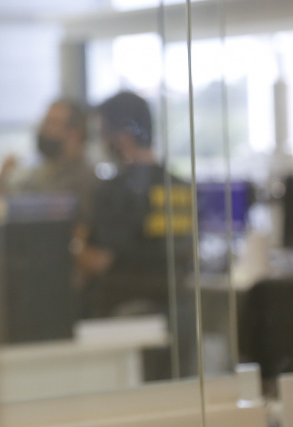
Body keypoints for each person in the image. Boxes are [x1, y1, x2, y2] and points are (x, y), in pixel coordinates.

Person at [75, 90, 196, 379]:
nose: (102, 142)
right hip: (179, 320)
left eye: (104, 132)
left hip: (121, 324)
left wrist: (71, 248)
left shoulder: (115, 192)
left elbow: (97, 260)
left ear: (123, 135)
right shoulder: (179, 185)